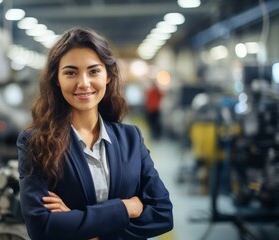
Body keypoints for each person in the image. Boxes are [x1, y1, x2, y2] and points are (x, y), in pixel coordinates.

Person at [17, 27, 173, 240]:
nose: (83, 83)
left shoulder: (130, 138)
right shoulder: (35, 143)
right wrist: (125, 208)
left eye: (94, 71)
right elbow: (41, 227)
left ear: (108, 75)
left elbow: (162, 214)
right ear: (56, 79)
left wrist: (82, 226)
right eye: (71, 72)